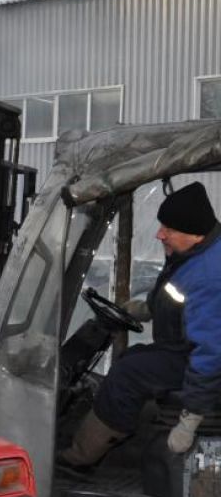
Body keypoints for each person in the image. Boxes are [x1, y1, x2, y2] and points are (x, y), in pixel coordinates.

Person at [61, 182, 221, 467]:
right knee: (133, 358)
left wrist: (192, 415)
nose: (160, 234)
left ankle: (81, 457)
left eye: (168, 229)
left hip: (202, 362)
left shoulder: (210, 275)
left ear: (194, 234)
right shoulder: (196, 254)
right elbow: (180, 297)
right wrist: (147, 308)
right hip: (183, 349)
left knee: (127, 373)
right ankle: (121, 434)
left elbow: (210, 352)